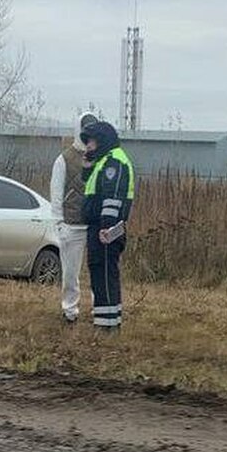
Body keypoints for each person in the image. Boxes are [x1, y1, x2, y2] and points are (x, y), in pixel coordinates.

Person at [80, 120, 134, 332]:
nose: (88, 147)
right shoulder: (103, 162)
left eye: (90, 142)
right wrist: (86, 167)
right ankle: (105, 323)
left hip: (106, 230)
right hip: (98, 228)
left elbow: (112, 198)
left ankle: (108, 328)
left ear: (101, 141)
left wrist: (107, 227)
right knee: (98, 273)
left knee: (104, 275)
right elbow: (93, 188)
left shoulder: (114, 162)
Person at [50, 111, 100, 324]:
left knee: (98, 269)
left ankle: (100, 310)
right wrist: (58, 222)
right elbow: (56, 191)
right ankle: (70, 310)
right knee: (70, 273)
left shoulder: (101, 157)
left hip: (95, 224)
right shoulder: (65, 158)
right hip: (71, 224)